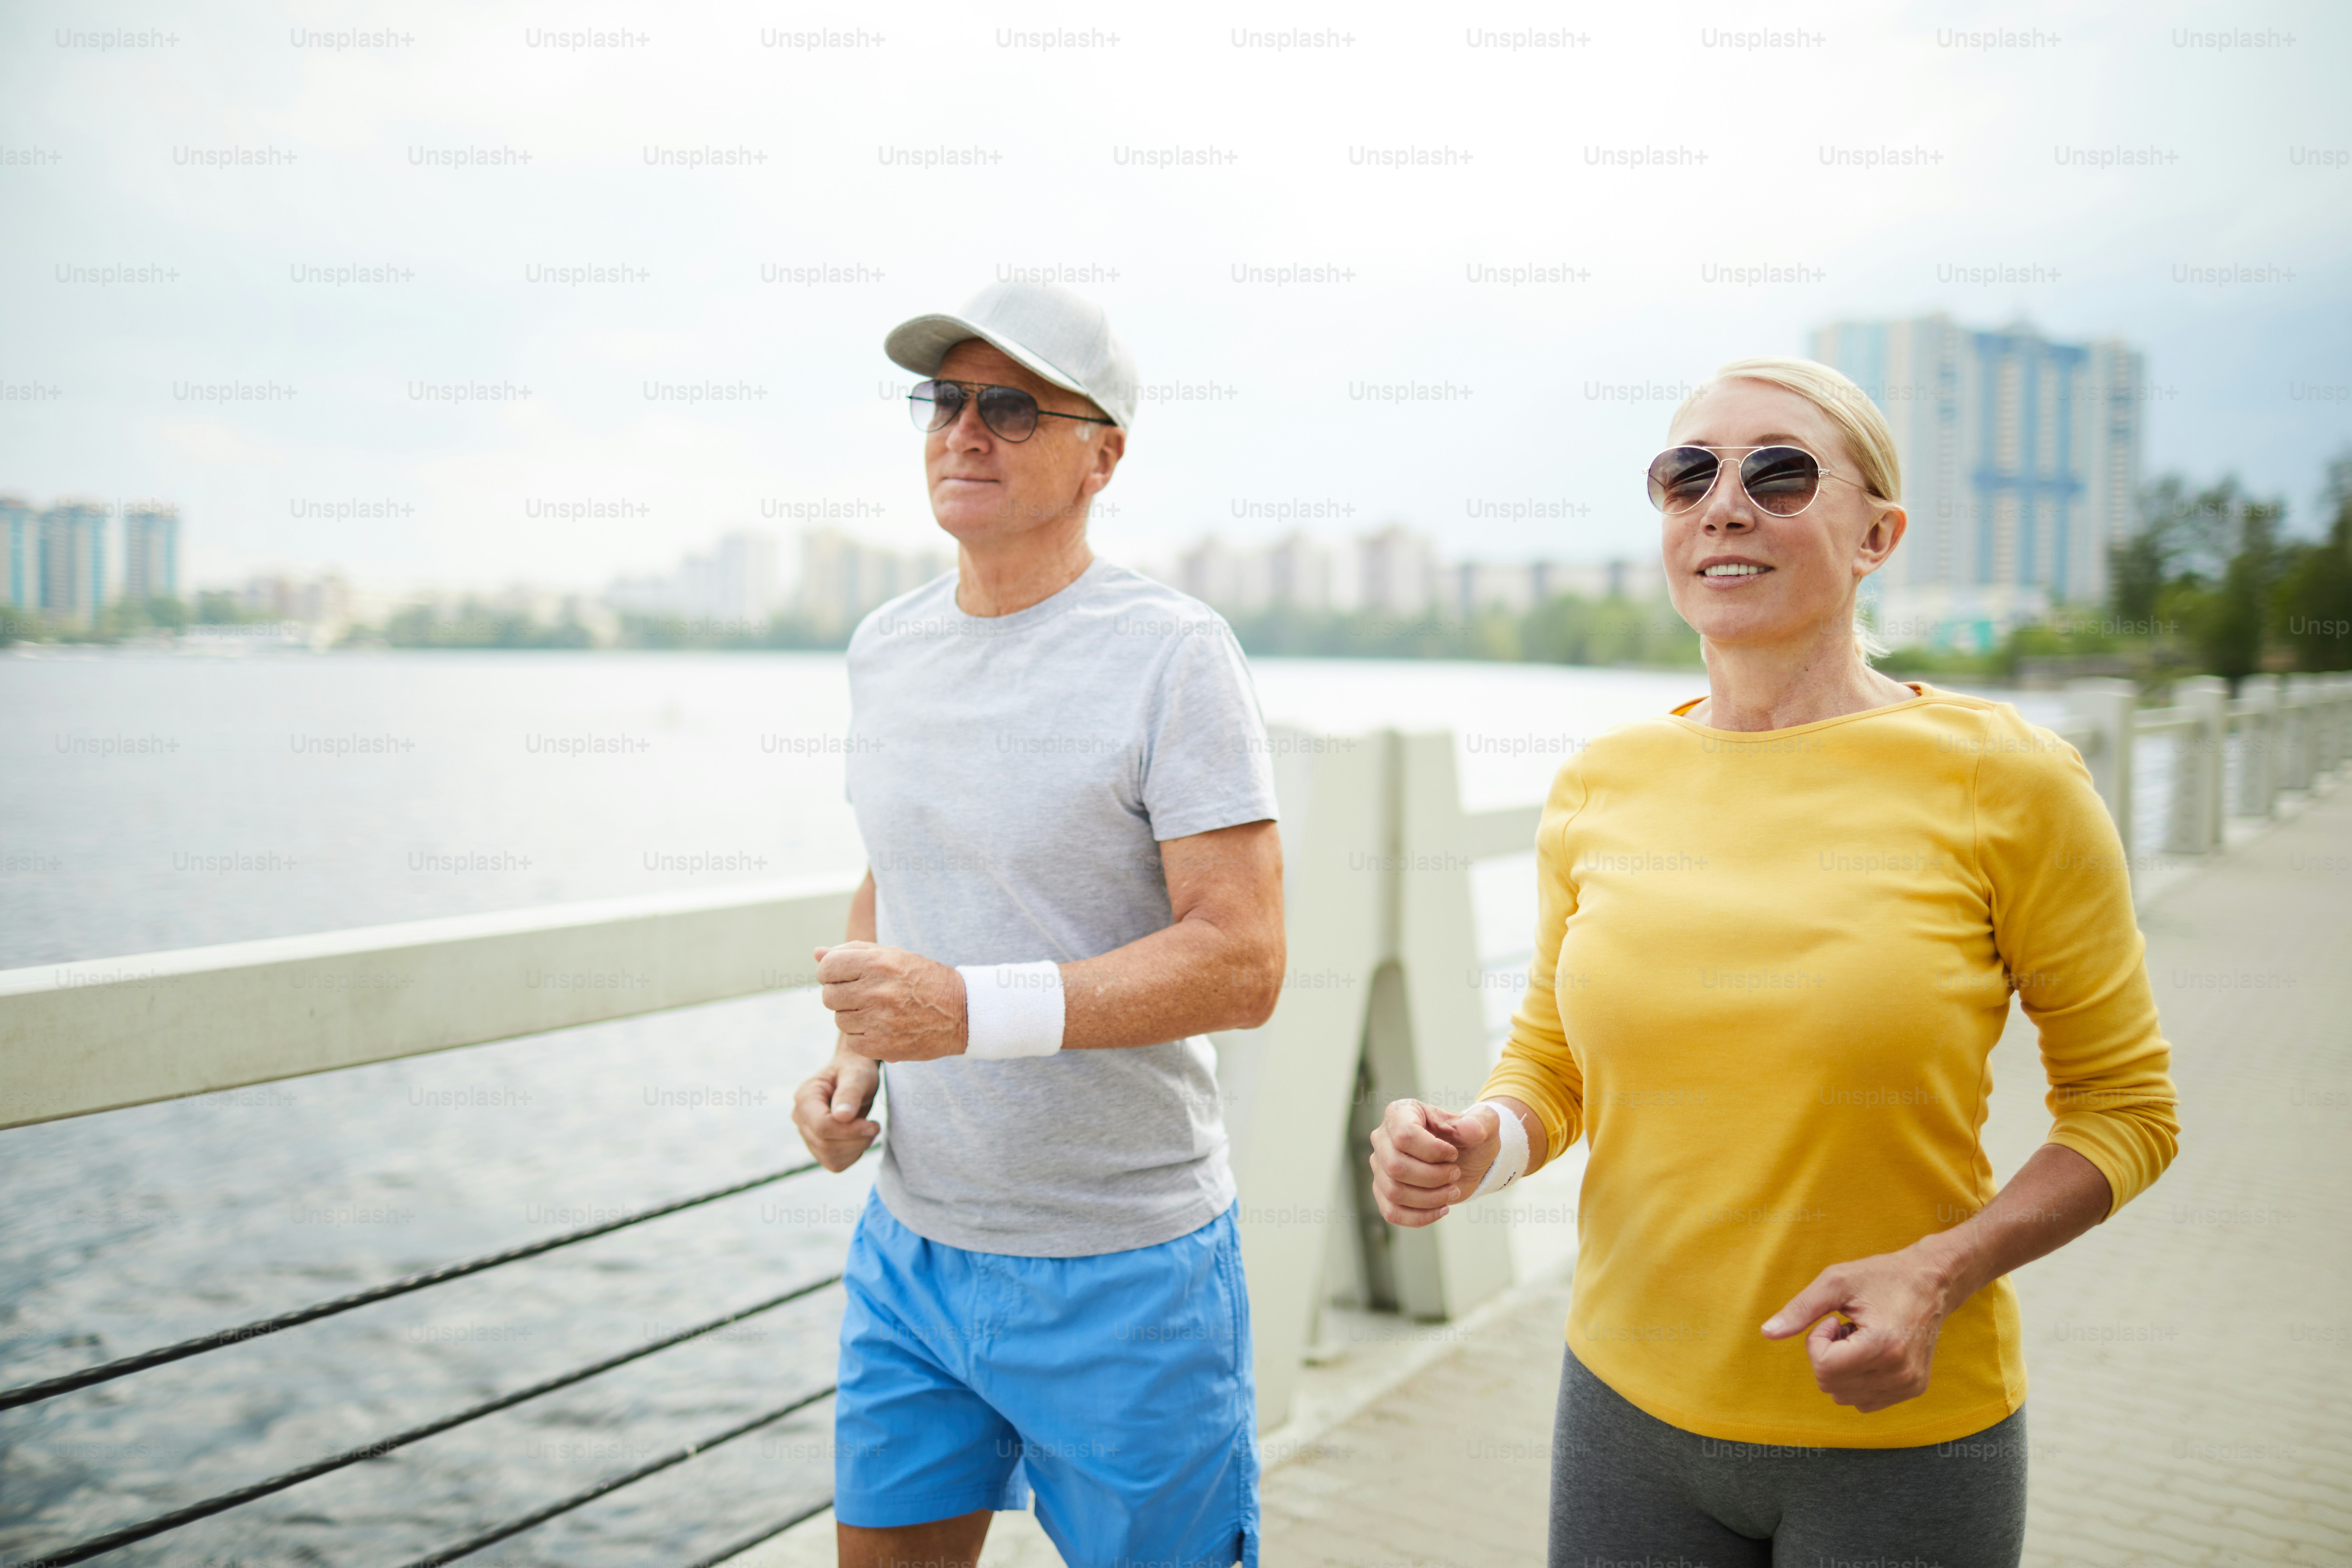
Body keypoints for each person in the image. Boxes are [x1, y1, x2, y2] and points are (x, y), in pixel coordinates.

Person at [1369, 357, 2180, 1568]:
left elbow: (2128, 1111)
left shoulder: (2007, 779)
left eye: (1781, 474)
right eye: (1687, 475)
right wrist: (1487, 1144)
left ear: (1878, 535)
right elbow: (1554, 1068)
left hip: (1901, 1440)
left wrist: (1944, 1272)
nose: (1725, 505)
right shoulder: (1603, 782)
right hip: (1623, 1413)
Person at [791, 280, 1284, 1568]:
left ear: (1102, 452)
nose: (965, 432)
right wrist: (856, 1063)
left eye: (1010, 407)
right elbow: (896, 880)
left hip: (1126, 1270)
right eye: (945, 401)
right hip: (914, 1253)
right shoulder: (884, 649)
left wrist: (965, 1013)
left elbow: (1242, 959)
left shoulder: (1177, 654)